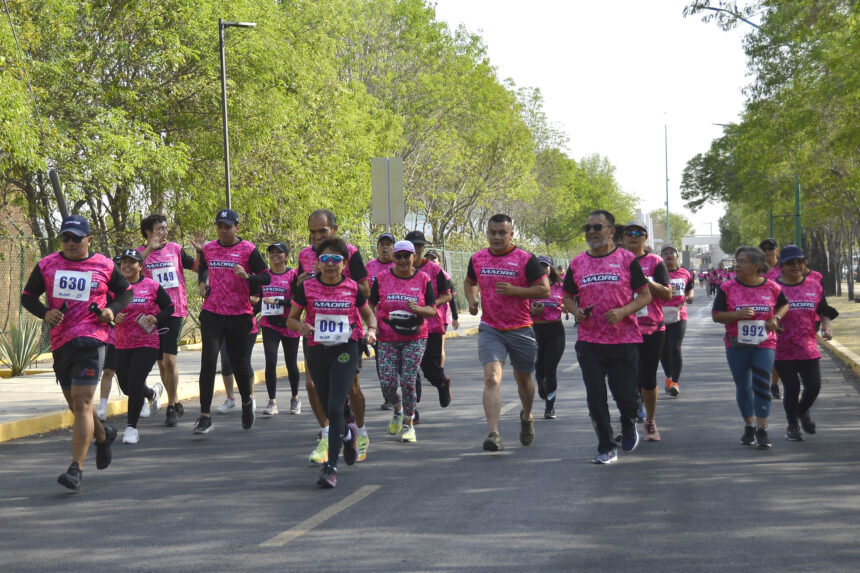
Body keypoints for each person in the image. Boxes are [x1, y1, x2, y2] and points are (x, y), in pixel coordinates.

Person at [21, 215, 132, 490]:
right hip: (62, 343)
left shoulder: (104, 265)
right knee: (76, 405)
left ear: (89, 240)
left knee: (83, 402)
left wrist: (111, 311)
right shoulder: (47, 265)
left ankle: (76, 469)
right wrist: (45, 313)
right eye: (65, 238)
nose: (70, 243)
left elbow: (126, 292)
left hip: (92, 340)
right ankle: (103, 435)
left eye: (76, 238)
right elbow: (27, 297)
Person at [287, 237, 378, 488]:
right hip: (317, 349)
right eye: (325, 259)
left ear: (344, 264)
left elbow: (370, 315)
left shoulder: (352, 288)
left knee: (337, 407)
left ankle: (331, 468)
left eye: (335, 260)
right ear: (317, 263)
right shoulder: (306, 288)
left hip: (346, 348)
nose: (330, 265)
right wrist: (301, 326)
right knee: (328, 407)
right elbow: (291, 319)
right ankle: (348, 435)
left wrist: (371, 330)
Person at [562, 210, 650, 464]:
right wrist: (577, 311)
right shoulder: (578, 263)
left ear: (611, 231)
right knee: (595, 396)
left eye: (597, 227)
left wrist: (623, 311)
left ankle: (629, 420)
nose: (591, 232)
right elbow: (567, 296)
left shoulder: (626, 259)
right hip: (590, 341)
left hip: (624, 339)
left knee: (625, 395)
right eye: (587, 228)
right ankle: (605, 446)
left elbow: (645, 296)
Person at [463, 214, 550, 451]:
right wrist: (472, 300)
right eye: (493, 232)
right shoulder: (478, 258)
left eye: (503, 232)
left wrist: (515, 290)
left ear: (511, 234)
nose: (497, 237)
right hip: (491, 328)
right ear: (487, 233)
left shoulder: (525, 259)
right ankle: (494, 433)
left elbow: (544, 289)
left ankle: (527, 416)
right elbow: (469, 282)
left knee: (524, 380)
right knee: (492, 378)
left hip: (520, 328)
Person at [295, 209, 371, 463]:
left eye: (322, 231)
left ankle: (360, 430)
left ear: (334, 230)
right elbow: (297, 289)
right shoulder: (305, 255)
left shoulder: (349, 252)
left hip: (347, 330)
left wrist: (337, 277)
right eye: (313, 232)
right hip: (315, 330)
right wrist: (306, 280)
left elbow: (365, 289)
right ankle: (328, 434)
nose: (316, 237)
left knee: (352, 388)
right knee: (312, 385)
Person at [189, 209, 270, 434]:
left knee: (238, 363)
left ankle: (246, 403)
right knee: (208, 362)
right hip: (212, 312)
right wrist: (202, 284)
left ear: (237, 227)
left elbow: (266, 276)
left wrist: (249, 277)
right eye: (219, 227)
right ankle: (205, 416)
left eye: (227, 227)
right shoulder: (209, 248)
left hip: (239, 314)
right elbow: (203, 267)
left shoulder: (248, 249)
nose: (223, 231)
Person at [712, 246, 788, 448]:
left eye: (743, 261)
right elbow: (717, 315)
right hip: (737, 344)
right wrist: (737, 315)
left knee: (762, 383)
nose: (737, 265)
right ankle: (749, 425)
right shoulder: (727, 288)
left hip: (765, 342)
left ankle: (762, 429)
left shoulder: (771, 287)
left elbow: (784, 304)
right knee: (743, 386)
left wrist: (776, 317)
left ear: (756, 266)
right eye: (736, 261)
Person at [369, 241, 436, 442]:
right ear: (393, 258)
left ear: (414, 256)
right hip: (388, 337)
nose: (403, 260)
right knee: (388, 383)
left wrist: (419, 309)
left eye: (407, 256)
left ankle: (408, 423)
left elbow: (432, 309)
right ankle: (398, 408)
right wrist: (374, 326)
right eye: (398, 256)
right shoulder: (382, 278)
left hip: (415, 337)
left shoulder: (424, 278)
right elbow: (370, 304)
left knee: (408, 380)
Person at [138, 214, 201, 426]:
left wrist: (200, 253)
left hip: (174, 309)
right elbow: (131, 270)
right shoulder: (140, 253)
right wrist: (149, 248)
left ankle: (173, 404)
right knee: (161, 363)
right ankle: (172, 401)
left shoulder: (174, 249)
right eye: (159, 229)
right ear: (148, 232)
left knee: (169, 360)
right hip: (151, 314)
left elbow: (195, 267)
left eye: (166, 228)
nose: (165, 232)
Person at [773, 245, 838, 440]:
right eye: (790, 263)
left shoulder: (814, 286)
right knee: (791, 388)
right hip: (782, 348)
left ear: (805, 264)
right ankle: (793, 425)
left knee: (814, 387)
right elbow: (765, 314)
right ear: (782, 265)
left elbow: (824, 310)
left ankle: (802, 411)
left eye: (799, 262)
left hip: (807, 346)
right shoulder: (774, 288)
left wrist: (827, 327)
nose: (795, 266)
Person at [112, 249, 174, 443]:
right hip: (122, 343)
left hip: (147, 342)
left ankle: (131, 428)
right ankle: (152, 393)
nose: (127, 266)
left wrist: (156, 318)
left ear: (140, 266)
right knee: (127, 386)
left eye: (132, 262)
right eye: (124, 262)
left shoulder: (153, 286)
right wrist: (114, 315)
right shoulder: (114, 289)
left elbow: (170, 307)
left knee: (135, 381)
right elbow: (105, 309)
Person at [621, 221, 672, 441]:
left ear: (645, 239)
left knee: (647, 379)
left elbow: (667, 294)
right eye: (629, 233)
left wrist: (647, 282)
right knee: (625, 378)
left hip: (652, 328)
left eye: (638, 233)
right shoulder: (616, 261)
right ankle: (628, 420)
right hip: (624, 328)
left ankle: (650, 421)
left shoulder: (655, 262)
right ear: (622, 238)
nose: (633, 236)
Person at [405, 231, 453, 416]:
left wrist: (427, 305)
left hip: (431, 326)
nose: (416, 250)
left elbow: (447, 295)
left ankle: (442, 383)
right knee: (409, 370)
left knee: (430, 369)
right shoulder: (398, 267)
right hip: (406, 327)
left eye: (419, 247)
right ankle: (412, 410)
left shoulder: (434, 270)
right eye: (413, 247)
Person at [258, 242, 302, 416]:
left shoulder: (293, 275)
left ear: (286, 256)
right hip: (269, 324)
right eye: (272, 252)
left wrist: (278, 302)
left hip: (290, 323)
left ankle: (295, 398)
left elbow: (297, 301)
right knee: (270, 361)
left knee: (291, 363)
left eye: (279, 252)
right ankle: (272, 402)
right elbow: (258, 298)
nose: (275, 255)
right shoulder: (265, 276)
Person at [530, 256, 566, 419]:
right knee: (539, 368)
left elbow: (570, 302)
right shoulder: (530, 287)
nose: (543, 269)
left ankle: (550, 407)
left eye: (545, 266)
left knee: (550, 369)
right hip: (536, 330)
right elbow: (522, 309)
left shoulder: (560, 286)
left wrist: (568, 307)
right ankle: (541, 384)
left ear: (550, 269)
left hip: (555, 331)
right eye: (539, 266)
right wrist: (532, 311)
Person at [659, 245, 695, 398]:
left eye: (671, 253)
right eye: (665, 253)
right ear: (661, 257)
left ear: (676, 256)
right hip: (659, 315)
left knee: (674, 347)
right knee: (663, 350)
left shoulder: (685, 273)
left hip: (679, 314)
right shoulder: (657, 273)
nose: (668, 255)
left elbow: (689, 288)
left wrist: (690, 295)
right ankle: (668, 377)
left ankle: (675, 382)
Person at [366, 233, 396, 410]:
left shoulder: (400, 264)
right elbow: (363, 292)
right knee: (382, 361)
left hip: (400, 322)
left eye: (389, 244)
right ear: (377, 248)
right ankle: (388, 396)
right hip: (378, 322)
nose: (385, 247)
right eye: (382, 244)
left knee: (399, 361)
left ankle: (407, 393)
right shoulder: (369, 266)